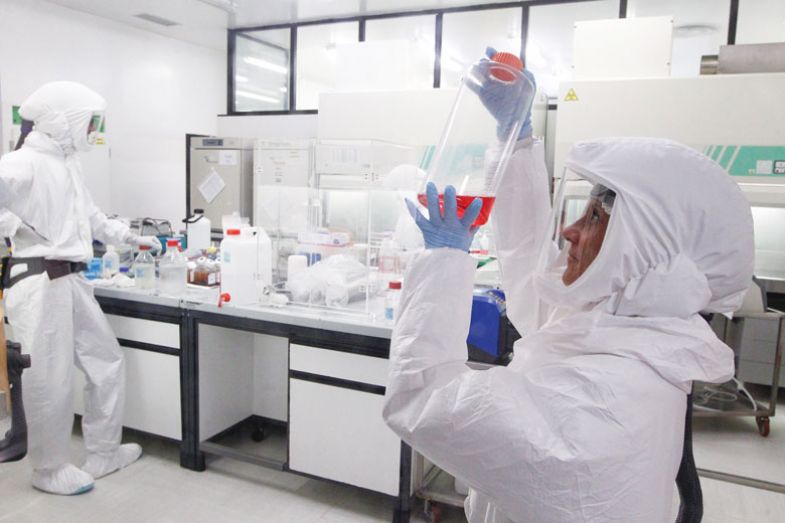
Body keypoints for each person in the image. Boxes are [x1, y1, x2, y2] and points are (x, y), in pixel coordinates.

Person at [382, 53, 754, 521]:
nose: (571, 232)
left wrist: (441, 260)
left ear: (645, 250)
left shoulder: (606, 404)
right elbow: (530, 268)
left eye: (596, 217)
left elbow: (423, 399)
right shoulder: (628, 329)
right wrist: (514, 139)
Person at [0, 81, 161, 495]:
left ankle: (103, 452)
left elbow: (90, 215)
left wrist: (128, 237)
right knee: (50, 380)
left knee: (106, 360)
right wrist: (10, 229)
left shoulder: (68, 164)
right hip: (38, 283)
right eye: (90, 121)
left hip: (71, 278)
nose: (94, 130)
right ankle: (49, 469)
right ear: (65, 119)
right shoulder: (24, 162)